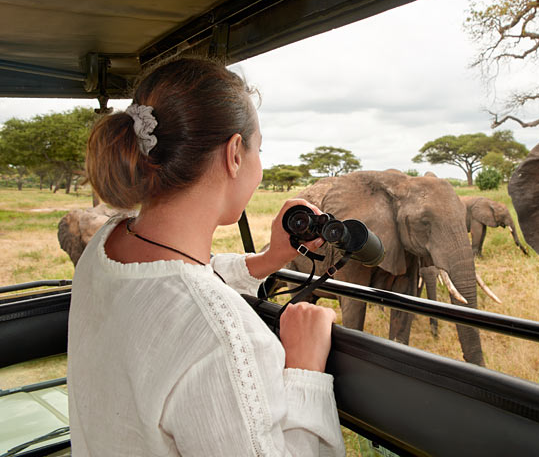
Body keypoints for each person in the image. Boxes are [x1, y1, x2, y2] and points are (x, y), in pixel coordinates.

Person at [68, 57, 346, 456]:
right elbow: (193, 303)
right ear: (235, 153)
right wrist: (303, 371)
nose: (259, 167)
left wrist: (266, 260)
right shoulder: (224, 339)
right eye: (258, 150)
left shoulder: (106, 244)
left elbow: (171, 283)